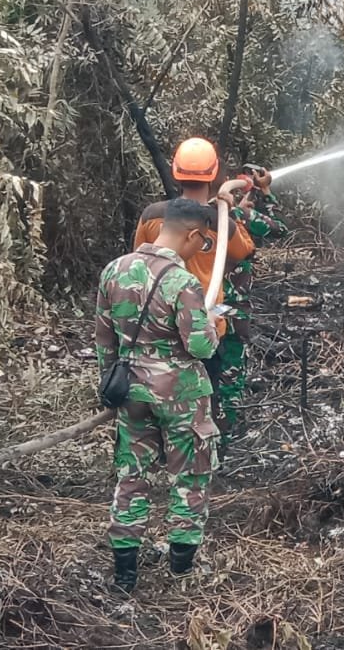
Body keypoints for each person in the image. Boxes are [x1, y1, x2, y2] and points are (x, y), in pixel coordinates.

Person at [95, 197, 222, 592]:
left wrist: (114, 383)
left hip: (130, 391)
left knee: (131, 478)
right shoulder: (182, 282)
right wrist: (213, 323)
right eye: (203, 243)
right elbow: (200, 347)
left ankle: (125, 574)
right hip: (181, 396)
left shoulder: (114, 270)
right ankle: (181, 570)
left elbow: (104, 342)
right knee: (189, 478)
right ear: (193, 233)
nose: (201, 250)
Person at [135, 137, 255, 433]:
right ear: (214, 175)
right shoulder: (220, 221)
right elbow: (244, 251)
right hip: (206, 324)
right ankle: (202, 455)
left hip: (160, 325)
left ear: (176, 172)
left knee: (159, 396)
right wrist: (231, 210)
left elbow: (139, 258)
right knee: (205, 398)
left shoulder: (152, 216)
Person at [220, 165, 288, 437]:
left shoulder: (192, 216)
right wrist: (267, 192)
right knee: (230, 373)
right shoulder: (240, 216)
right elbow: (279, 229)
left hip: (201, 308)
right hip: (231, 310)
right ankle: (225, 434)